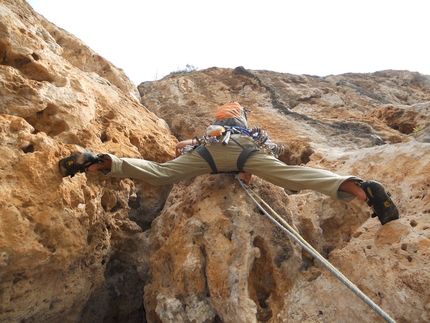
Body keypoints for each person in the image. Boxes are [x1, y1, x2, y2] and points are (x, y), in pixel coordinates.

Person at [59, 102, 399, 225]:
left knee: (161, 174)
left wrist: (193, 150)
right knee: (293, 176)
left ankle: (102, 162)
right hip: (245, 150)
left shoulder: (211, 131)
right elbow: (249, 174)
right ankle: (359, 188)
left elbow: (179, 147)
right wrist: (246, 173)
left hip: (208, 152)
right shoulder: (247, 130)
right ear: (242, 116)